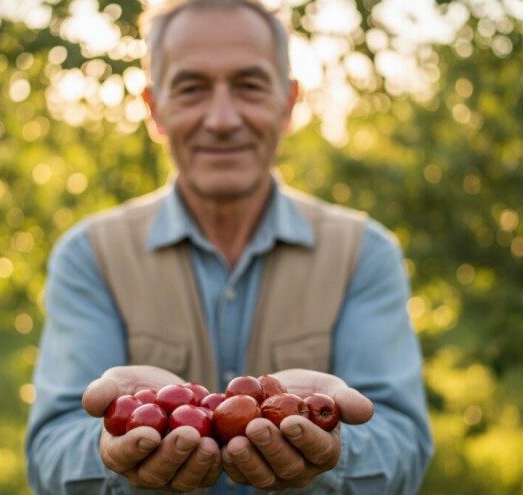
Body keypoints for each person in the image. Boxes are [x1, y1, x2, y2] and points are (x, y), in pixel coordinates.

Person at [25, 0, 433, 493]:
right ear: (155, 110)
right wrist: (109, 456)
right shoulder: (89, 255)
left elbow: (404, 443)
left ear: (288, 103)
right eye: (192, 88)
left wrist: (336, 452)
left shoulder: (364, 253)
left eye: (250, 86)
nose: (221, 119)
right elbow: (51, 450)